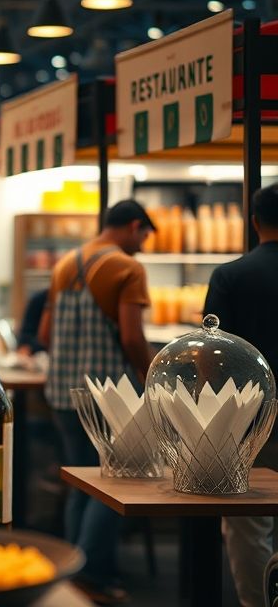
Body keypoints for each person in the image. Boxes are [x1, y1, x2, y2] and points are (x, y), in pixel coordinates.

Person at [38, 199, 155, 605]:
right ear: (135, 226)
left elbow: (45, 333)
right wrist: (151, 375)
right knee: (113, 483)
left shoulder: (64, 264)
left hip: (62, 392)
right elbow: (131, 338)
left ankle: (73, 569)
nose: (141, 246)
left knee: (80, 481)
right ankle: (91, 575)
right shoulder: (127, 267)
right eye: (143, 237)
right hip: (109, 396)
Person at [203, 184, 278, 607]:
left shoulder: (229, 276)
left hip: (249, 421)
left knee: (249, 525)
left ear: (253, 222)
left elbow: (211, 356)